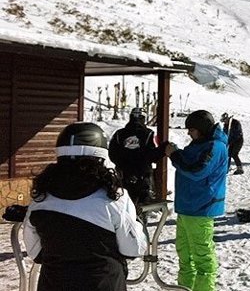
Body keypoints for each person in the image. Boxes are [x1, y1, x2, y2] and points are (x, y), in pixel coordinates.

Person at [23, 122, 148, 291]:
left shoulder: (41, 198)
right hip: (103, 283)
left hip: (54, 283)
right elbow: (133, 248)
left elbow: (35, 252)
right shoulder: (113, 197)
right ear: (100, 156)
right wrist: (138, 220)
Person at [165, 110, 228, 291]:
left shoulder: (215, 146)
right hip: (187, 206)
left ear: (201, 128)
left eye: (191, 129)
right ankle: (185, 288)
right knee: (185, 256)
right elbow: (188, 160)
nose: (188, 133)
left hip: (201, 207)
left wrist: (174, 155)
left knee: (203, 259)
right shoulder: (199, 143)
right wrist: (176, 151)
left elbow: (196, 170)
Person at [108, 107, 166, 208]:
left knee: (123, 203)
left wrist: (122, 164)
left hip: (123, 175)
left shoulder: (119, 134)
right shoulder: (148, 134)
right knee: (142, 206)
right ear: (144, 118)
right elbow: (153, 156)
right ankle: (140, 221)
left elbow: (112, 154)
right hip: (142, 176)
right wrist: (163, 149)